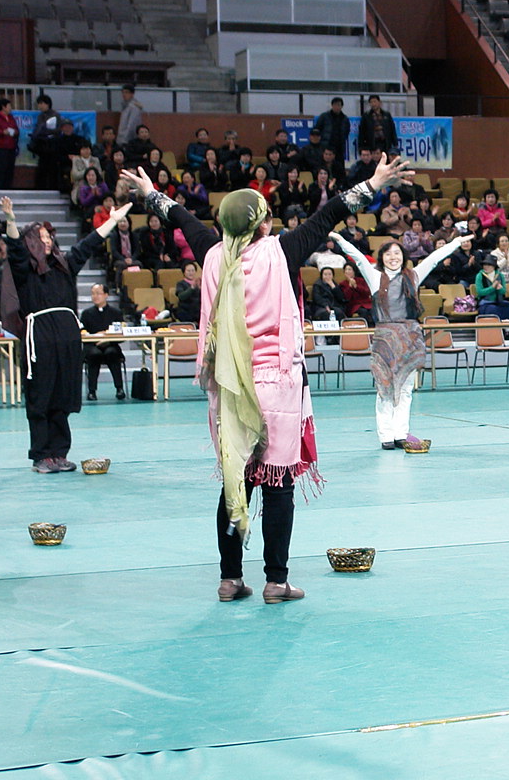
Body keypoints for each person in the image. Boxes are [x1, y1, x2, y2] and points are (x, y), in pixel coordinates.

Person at [121, 156, 410, 602]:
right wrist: (374, 182)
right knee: (278, 484)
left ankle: (230, 579)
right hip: (276, 386)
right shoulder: (282, 251)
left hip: (229, 387)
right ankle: (277, 580)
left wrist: (149, 194)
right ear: (262, 224)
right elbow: (330, 213)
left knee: (235, 482)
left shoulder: (211, 253)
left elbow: (180, 218)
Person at [0, 196, 126, 471]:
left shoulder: (64, 266)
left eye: (48, 237)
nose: (47, 241)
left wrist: (112, 222)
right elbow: (15, 248)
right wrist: (10, 220)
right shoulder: (24, 270)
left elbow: (88, 244)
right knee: (41, 395)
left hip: (67, 338)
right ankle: (41, 454)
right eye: (40, 238)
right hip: (40, 338)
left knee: (62, 395)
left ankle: (59, 452)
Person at [331, 229, 468, 449]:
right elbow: (358, 257)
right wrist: (340, 240)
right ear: (381, 257)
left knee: (405, 389)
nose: (393, 257)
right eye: (388, 254)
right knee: (385, 388)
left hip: (409, 338)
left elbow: (434, 259)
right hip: (385, 339)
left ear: (403, 256)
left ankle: (400, 433)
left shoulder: (413, 276)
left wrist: (456, 242)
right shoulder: (375, 276)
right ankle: (386, 436)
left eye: (397, 253)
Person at [80, 282, 129, 401]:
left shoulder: (116, 313)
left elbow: (121, 332)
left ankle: (119, 388)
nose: (95, 296)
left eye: (98, 293)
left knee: (112, 352)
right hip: (92, 345)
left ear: (106, 295)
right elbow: (82, 330)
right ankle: (92, 391)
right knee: (94, 354)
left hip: (110, 344)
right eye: (93, 294)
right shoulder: (86, 313)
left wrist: (106, 337)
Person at [314, 96, 351, 163]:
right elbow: (317, 130)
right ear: (332, 106)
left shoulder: (345, 118)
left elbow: (347, 131)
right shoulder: (324, 116)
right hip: (326, 146)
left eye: (338, 105)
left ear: (342, 106)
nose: (336, 107)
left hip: (339, 147)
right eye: (335, 105)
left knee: (339, 165)